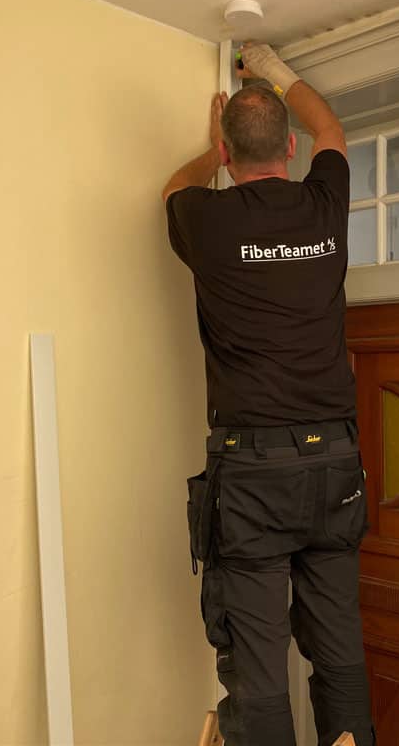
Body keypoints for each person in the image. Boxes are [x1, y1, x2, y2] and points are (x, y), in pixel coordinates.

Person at [162, 43, 375, 746]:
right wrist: (271, 67)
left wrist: (209, 149)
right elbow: (331, 127)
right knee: (339, 648)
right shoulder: (324, 203)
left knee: (258, 672)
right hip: (333, 466)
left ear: (229, 155)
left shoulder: (207, 218)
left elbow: (172, 188)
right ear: (289, 148)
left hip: (254, 476)